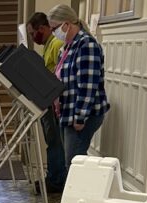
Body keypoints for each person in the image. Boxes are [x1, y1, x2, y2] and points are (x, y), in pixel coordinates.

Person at [48, 5, 110, 180]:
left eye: (55, 28)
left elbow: (88, 84)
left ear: (66, 24)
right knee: (72, 162)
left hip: (83, 113)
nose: (54, 33)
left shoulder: (86, 45)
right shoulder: (67, 47)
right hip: (68, 111)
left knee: (74, 163)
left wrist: (80, 117)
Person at [27, 12, 65, 192]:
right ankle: (53, 177)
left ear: (42, 28)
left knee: (55, 143)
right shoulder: (49, 45)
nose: (33, 38)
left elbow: (58, 74)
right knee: (52, 142)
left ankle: (56, 180)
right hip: (48, 100)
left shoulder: (57, 44)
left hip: (54, 102)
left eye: (33, 33)